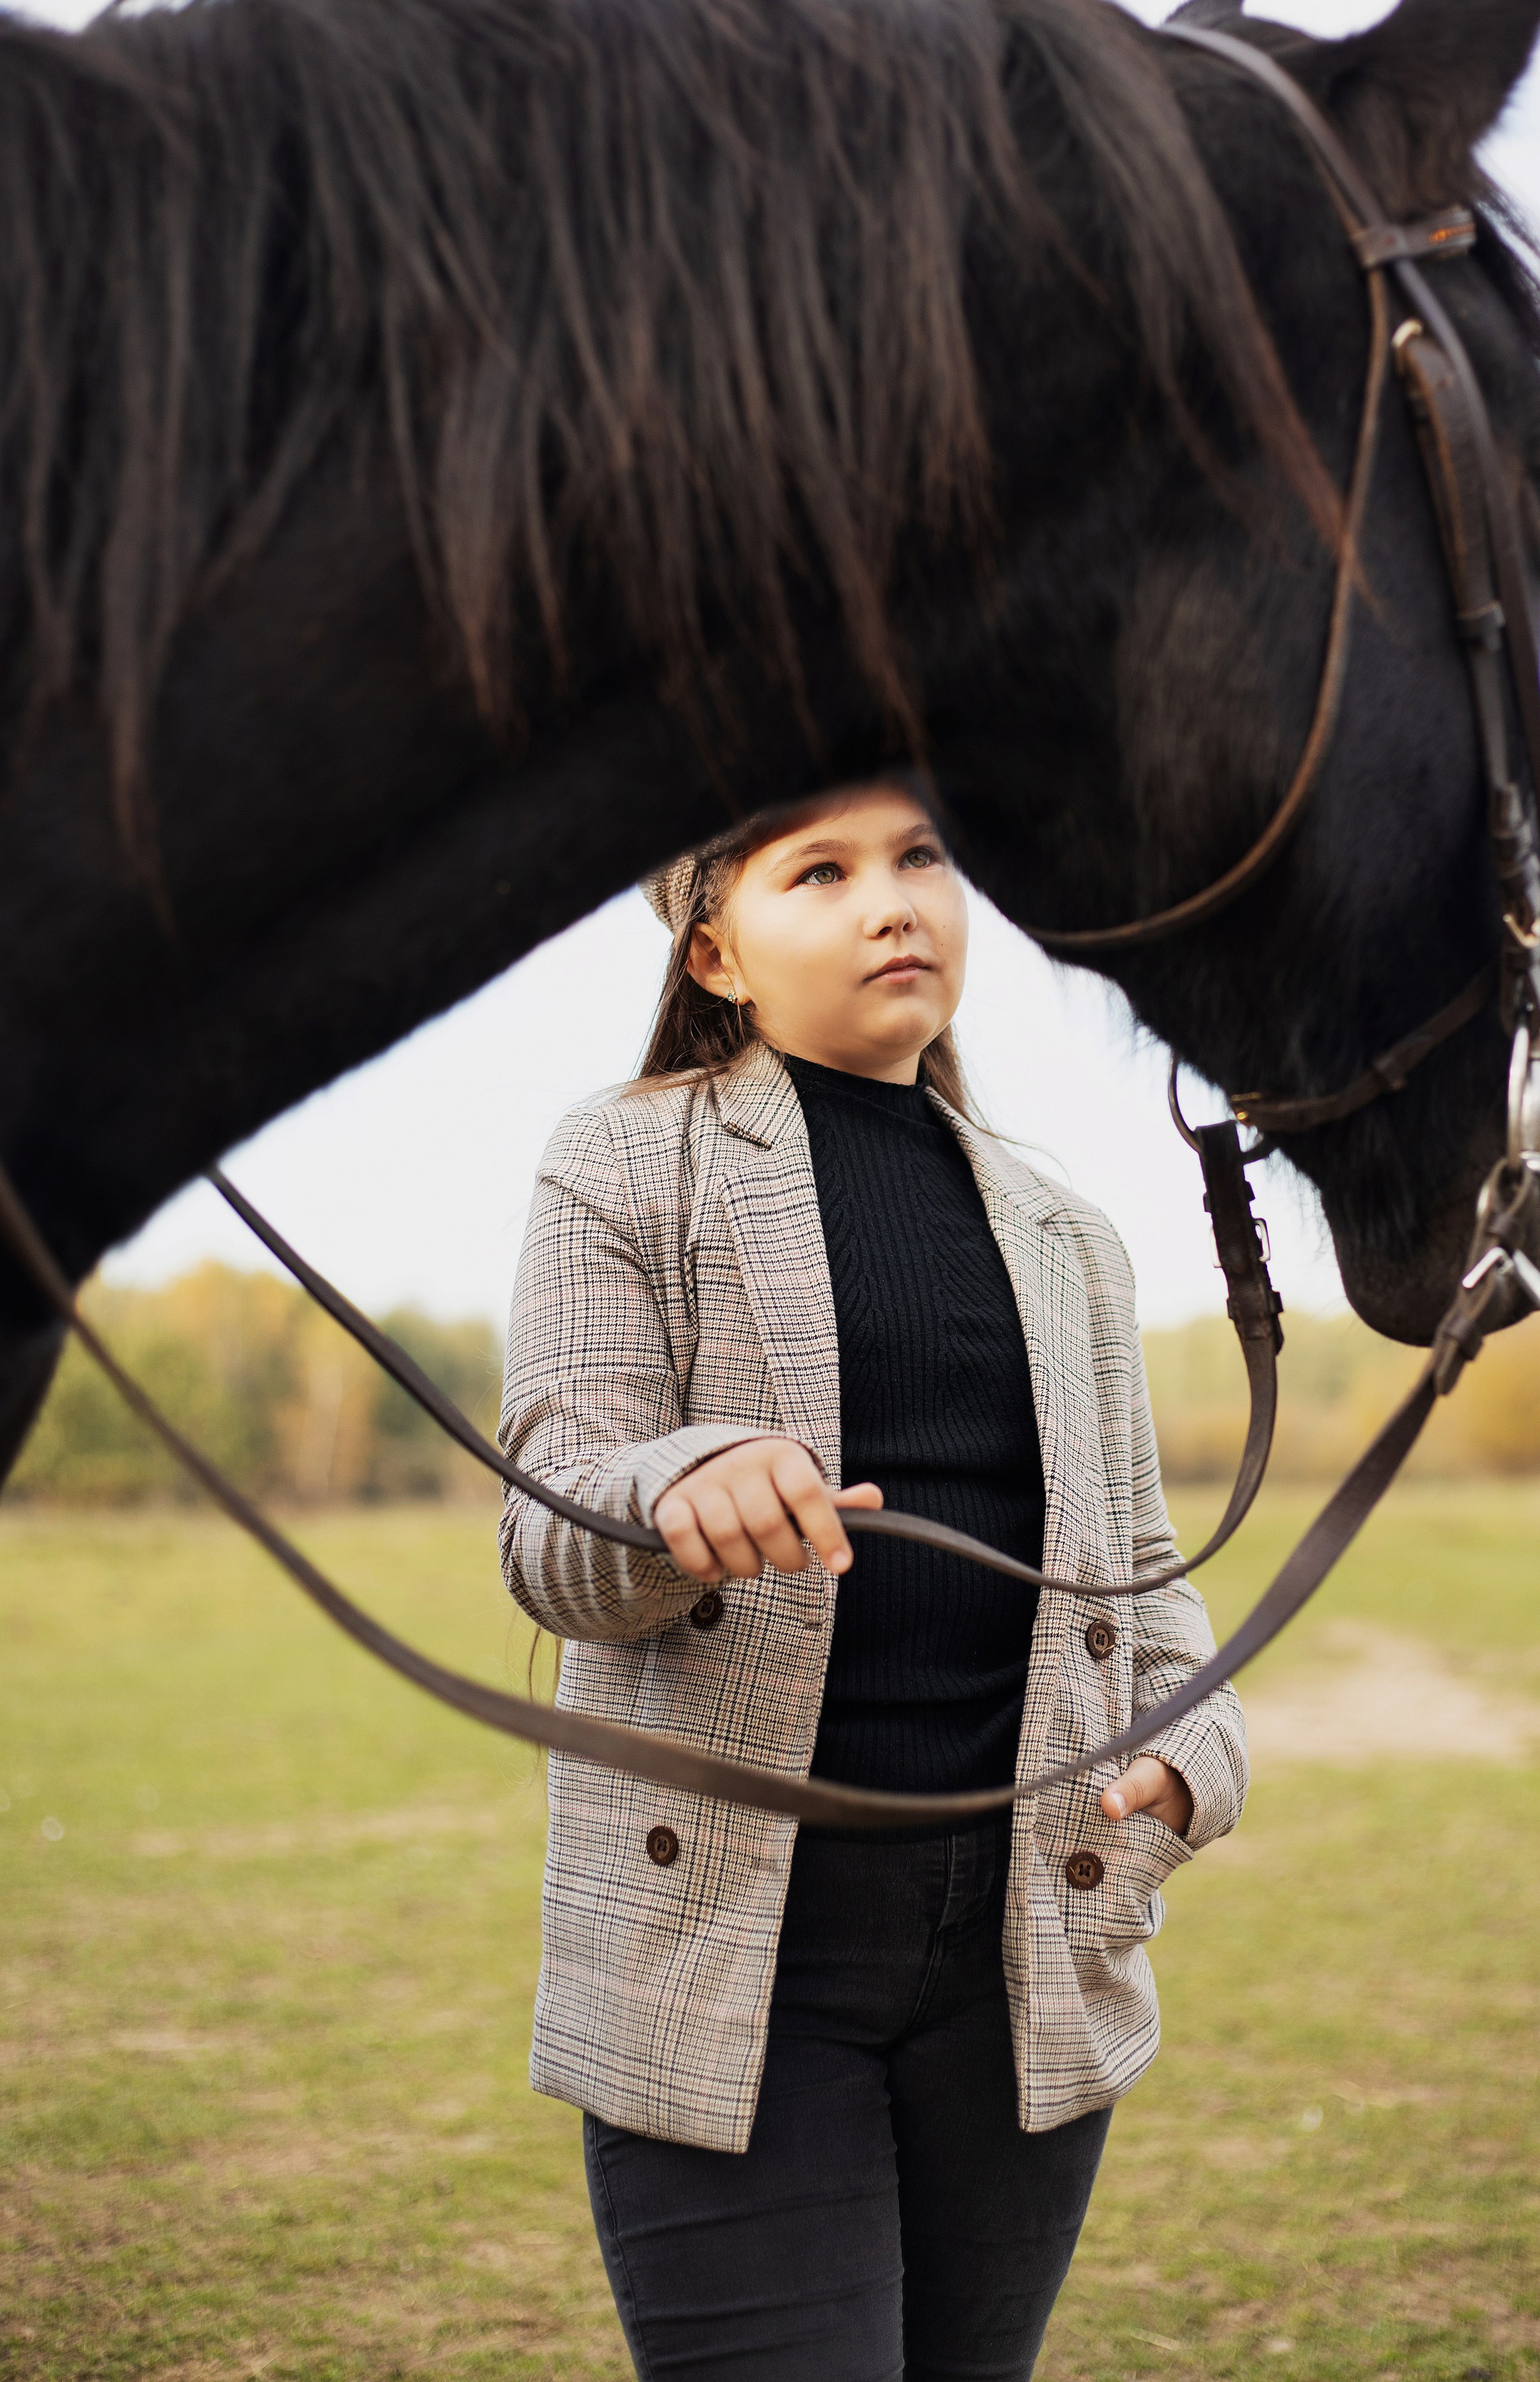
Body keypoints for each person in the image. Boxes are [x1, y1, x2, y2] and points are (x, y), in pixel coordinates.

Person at [498, 779, 1247, 2382]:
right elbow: (548, 1527)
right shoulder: (622, 1163)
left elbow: (1141, 1578)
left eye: (918, 858)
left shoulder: (1067, 1231)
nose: (891, 903)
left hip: (1025, 1955)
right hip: (732, 1952)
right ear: (715, 955)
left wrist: (1198, 1759)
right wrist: (673, 1486)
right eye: (819, 873)